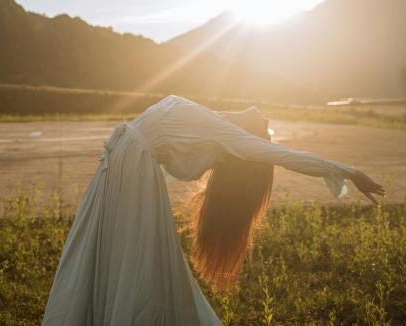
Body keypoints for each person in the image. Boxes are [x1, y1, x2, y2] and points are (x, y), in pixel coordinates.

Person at [41, 95, 385, 325]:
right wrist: (349, 171)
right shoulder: (202, 119)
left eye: (263, 127)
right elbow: (276, 153)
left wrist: (348, 171)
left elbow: (277, 155)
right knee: (127, 258)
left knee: (132, 259)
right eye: (264, 127)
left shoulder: (218, 131)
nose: (262, 118)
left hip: (123, 176)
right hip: (120, 176)